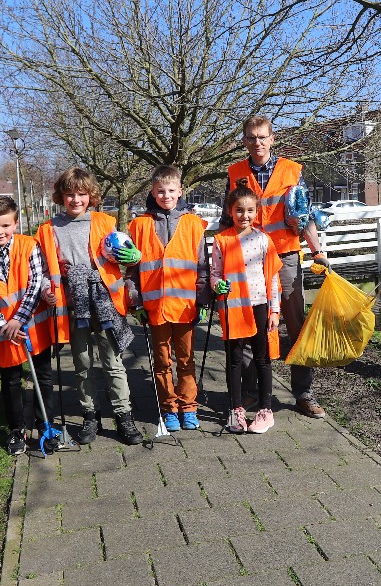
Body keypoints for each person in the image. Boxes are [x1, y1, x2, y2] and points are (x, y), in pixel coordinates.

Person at [225, 114, 329, 418]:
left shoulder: (292, 171)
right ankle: (251, 391)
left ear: (272, 139)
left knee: (296, 324)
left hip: (285, 257)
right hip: (248, 258)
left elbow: (306, 214)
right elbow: (226, 218)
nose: (257, 142)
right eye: (251, 137)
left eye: (262, 137)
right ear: (244, 141)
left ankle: (303, 393)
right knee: (249, 324)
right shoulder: (235, 173)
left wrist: (317, 251)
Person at [35, 166, 145, 446]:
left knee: (113, 362)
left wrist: (134, 256)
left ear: (91, 196)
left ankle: (123, 415)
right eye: (70, 194)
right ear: (61, 196)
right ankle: (90, 415)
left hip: (104, 301)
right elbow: (42, 269)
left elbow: (124, 253)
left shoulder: (105, 222)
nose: (76, 200)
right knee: (82, 364)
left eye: (82, 194)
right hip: (73, 305)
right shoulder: (48, 230)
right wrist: (47, 289)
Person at [0, 194, 60, 456]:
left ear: (15, 224)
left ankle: (45, 425)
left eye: (5, 225)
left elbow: (34, 285)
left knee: (43, 374)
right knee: (10, 380)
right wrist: (4, 326)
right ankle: (16, 429)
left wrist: (18, 319)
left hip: (32, 326)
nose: (0, 231)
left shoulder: (29, 246)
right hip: (4, 334)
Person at [128, 165, 211, 432]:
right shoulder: (139, 225)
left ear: (180, 192)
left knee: (186, 360)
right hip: (155, 308)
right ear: (153, 192)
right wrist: (135, 301)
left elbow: (202, 267)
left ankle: (188, 406)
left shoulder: (193, 224)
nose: (166, 196)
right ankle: (168, 408)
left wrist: (203, 300)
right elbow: (132, 270)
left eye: (171, 191)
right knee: (162, 361)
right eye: (161, 191)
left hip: (185, 307)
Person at [210, 185, 281, 434]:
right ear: (230, 211)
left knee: (262, 358)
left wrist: (275, 311)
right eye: (239, 210)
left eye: (250, 210)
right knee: (234, 359)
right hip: (232, 307)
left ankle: (265, 410)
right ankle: (236, 409)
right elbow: (215, 273)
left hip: (260, 304)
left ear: (256, 212)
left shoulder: (263, 240)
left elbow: (272, 277)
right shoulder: (221, 240)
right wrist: (216, 285)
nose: (245, 215)